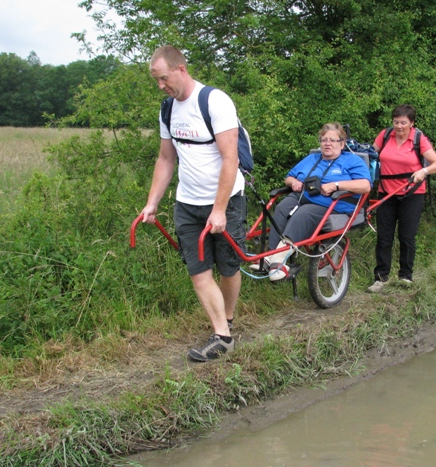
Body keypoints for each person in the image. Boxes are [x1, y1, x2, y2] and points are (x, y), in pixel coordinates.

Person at [141, 46, 246, 362]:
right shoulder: (168, 110)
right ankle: (222, 336)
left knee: (228, 267)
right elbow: (165, 158)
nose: (161, 86)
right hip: (187, 203)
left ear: (180, 69)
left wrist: (219, 208)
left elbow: (231, 158)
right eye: (157, 81)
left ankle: (226, 320)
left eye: (163, 79)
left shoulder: (214, 101)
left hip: (225, 201)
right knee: (198, 271)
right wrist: (152, 203)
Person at [261, 122, 372, 281]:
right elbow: (289, 177)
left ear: (342, 144)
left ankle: (278, 261)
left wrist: (336, 185)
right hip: (303, 197)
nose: (327, 144)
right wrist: (293, 182)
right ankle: (269, 255)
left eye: (332, 140)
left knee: (303, 214)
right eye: (324, 140)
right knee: (282, 207)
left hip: (333, 204)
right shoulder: (311, 158)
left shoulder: (352, 161)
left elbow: (365, 186)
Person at [367, 104, 436, 293]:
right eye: (396, 122)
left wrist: (423, 171)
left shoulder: (419, 139)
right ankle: (381, 278)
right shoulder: (385, 135)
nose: (399, 126)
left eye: (403, 123)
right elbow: (368, 155)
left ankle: (405, 276)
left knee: (407, 236)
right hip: (386, 192)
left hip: (412, 193)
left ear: (412, 123)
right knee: (384, 236)